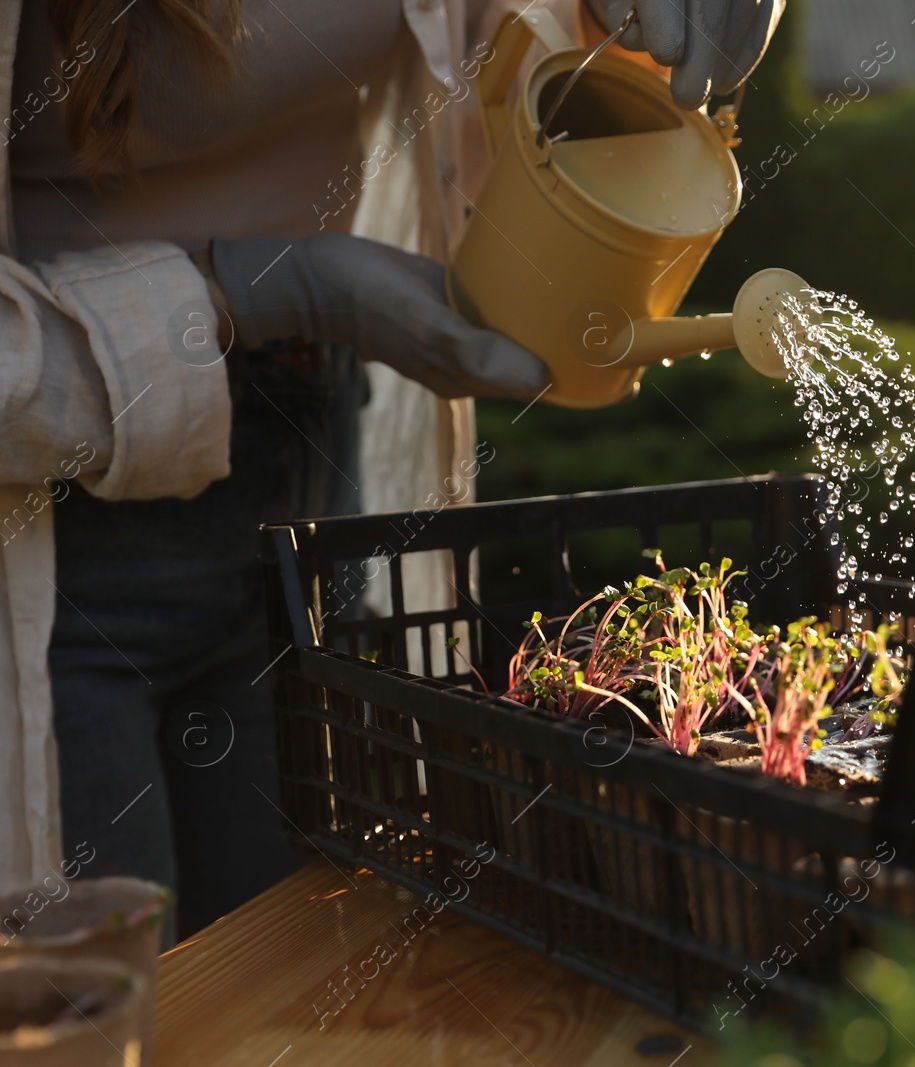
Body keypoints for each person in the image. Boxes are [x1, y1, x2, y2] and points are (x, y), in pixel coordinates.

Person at [0, 0, 783, 936]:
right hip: (47, 536)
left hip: (307, 489)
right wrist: (255, 287)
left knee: (293, 995)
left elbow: (515, 40)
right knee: (94, 1012)